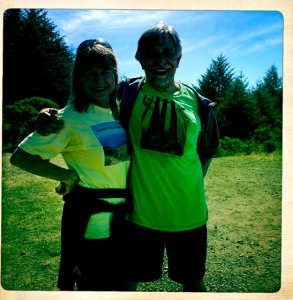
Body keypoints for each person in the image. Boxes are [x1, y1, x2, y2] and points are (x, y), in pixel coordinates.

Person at [35, 21, 220, 292]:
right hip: (138, 219)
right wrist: (46, 114)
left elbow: (208, 149)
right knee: (126, 284)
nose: (160, 61)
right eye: (151, 53)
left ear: (179, 57)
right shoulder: (125, 94)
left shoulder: (200, 104)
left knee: (193, 282)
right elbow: (87, 102)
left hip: (190, 217)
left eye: (168, 53)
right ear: (139, 58)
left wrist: (191, 184)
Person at [10, 39, 131, 291]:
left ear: (115, 74)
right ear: (78, 77)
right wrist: (67, 175)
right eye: (90, 73)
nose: (99, 80)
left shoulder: (118, 110)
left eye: (105, 72)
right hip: (93, 225)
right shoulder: (68, 118)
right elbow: (21, 157)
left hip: (125, 222)